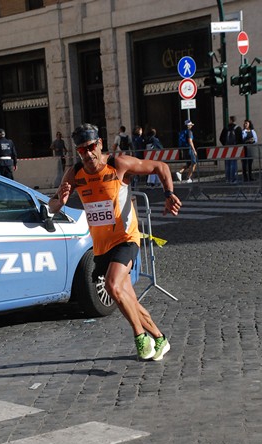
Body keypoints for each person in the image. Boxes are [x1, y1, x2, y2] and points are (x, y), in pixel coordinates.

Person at [48, 123, 182, 361]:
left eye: (90, 147)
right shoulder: (75, 173)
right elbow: (53, 206)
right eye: (81, 150)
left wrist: (168, 194)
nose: (88, 154)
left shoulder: (118, 164)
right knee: (126, 297)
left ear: (99, 144)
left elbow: (160, 167)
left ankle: (140, 337)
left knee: (112, 285)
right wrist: (61, 199)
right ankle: (160, 339)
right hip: (101, 246)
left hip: (126, 239)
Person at [219, 116, 243, 183]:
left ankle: (227, 179)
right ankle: (233, 179)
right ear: (235, 120)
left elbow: (221, 138)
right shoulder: (238, 128)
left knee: (227, 164)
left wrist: (225, 144)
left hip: (227, 148)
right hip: (234, 148)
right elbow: (240, 139)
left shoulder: (226, 128)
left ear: (230, 120)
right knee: (233, 163)